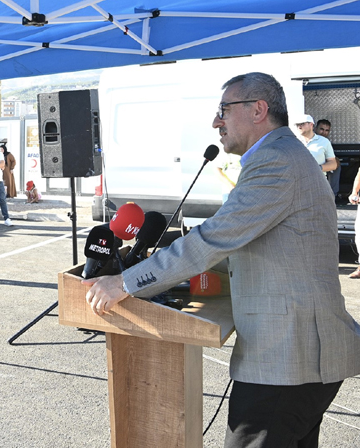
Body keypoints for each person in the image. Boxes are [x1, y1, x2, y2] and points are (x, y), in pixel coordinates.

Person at [84, 72, 360, 448]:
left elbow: (213, 239)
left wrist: (124, 283)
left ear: (259, 109)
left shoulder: (276, 161)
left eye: (223, 110)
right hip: (299, 357)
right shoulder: (281, 155)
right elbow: (246, 247)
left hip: (289, 359)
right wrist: (172, 276)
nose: (216, 122)